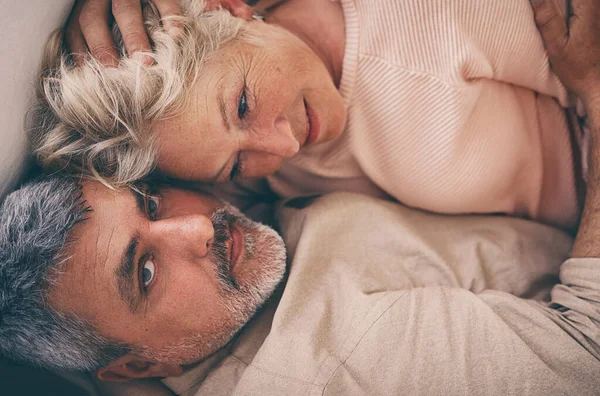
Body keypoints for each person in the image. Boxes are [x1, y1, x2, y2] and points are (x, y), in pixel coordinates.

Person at [31, 0, 583, 231]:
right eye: (235, 165)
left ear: (231, 11)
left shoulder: (426, 19)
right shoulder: (250, 172)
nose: (283, 149)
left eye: (243, 106)